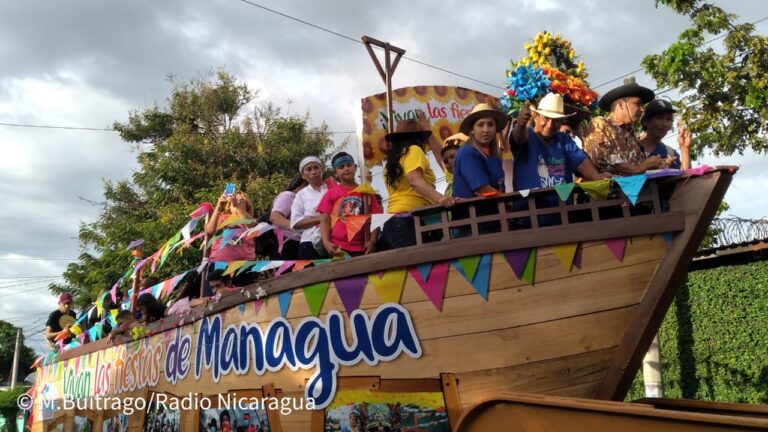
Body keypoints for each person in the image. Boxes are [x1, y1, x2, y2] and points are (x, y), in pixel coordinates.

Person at [509, 93, 611, 191]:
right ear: (536, 117)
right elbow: (518, 138)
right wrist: (520, 125)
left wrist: (596, 176)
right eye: (546, 118)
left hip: (562, 202)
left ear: (561, 122)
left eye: (556, 120)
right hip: (530, 202)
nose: (550, 125)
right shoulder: (527, 136)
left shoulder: (564, 140)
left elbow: (580, 160)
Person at [381, 119, 454, 249]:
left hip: (392, 222)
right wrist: (441, 198)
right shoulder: (414, 149)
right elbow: (414, 180)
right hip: (408, 222)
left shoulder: (392, 160)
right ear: (419, 138)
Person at [582, 77, 660, 175]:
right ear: (621, 105)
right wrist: (639, 168)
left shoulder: (631, 135)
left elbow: (640, 169)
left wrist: (656, 166)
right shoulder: (600, 124)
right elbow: (600, 160)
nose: (642, 109)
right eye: (637, 104)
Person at [318, 152, 382, 257]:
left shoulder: (367, 192)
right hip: (337, 247)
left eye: (349, 165)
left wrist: (372, 241)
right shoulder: (331, 193)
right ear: (335, 173)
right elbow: (324, 220)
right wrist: (326, 242)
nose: (346, 169)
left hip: (362, 247)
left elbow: (376, 218)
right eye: (341, 167)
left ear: (355, 167)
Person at [452, 103, 509, 198]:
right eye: (480, 125)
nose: (486, 130)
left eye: (490, 124)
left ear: (496, 128)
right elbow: (483, 191)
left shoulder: (494, 156)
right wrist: (510, 202)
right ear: (472, 129)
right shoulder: (467, 153)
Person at [291, 156, 331, 259]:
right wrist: (320, 218)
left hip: (336, 238)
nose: (314, 172)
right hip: (309, 241)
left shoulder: (333, 187)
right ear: (303, 175)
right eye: (308, 169)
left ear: (322, 170)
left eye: (316, 168)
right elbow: (296, 223)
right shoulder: (301, 195)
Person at [639, 99, 692, 170]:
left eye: (669, 119)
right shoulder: (629, 147)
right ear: (646, 121)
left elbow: (685, 176)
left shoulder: (670, 154)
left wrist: (685, 149)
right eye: (659, 118)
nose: (665, 124)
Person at [205, 189, 256, 262]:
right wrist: (218, 208)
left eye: (241, 201)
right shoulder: (222, 218)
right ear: (229, 206)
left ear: (247, 205)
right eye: (235, 201)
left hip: (245, 263)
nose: (237, 202)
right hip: (220, 262)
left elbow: (252, 226)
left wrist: (237, 207)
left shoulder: (251, 220)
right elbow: (210, 231)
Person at [268, 173, 306, 259]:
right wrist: (297, 226)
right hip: (287, 244)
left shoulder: (301, 199)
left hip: (299, 243)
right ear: (303, 184)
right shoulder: (288, 196)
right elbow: (275, 217)